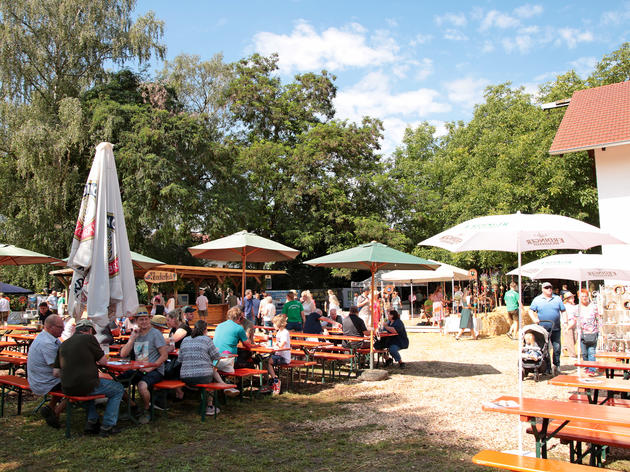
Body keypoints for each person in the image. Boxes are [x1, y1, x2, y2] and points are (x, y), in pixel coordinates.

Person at [54, 319, 124, 436]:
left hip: (67, 387)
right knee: (118, 388)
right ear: (90, 330)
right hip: (86, 386)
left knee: (87, 387)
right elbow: (103, 362)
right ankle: (108, 425)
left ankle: (92, 420)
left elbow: (56, 372)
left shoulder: (64, 344)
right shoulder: (89, 338)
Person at [119, 306, 169, 424]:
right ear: (136, 321)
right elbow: (123, 354)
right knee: (116, 384)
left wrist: (153, 367)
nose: (144, 322)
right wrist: (132, 339)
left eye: (146, 319)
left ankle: (146, 410)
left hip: (155, 370)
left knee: (142, 386)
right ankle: (134, 407)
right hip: (138, 369)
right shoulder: (135, 334)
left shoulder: (155, 334)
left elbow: (164, 355)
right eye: (141, 319)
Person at [179, 320, 239, 415]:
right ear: (205, 330)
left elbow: (180, 359)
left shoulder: (185, 340)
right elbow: (216, 357)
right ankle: (210, 405)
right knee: (212, 372)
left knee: (211, 369)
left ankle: (224, 386)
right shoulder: (206, 340)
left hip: (185, 376)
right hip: (202, 376)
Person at [27, 314, 65, 428]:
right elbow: (58, 365)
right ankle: (55, 413)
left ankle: (50, 407)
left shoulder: (47, 337)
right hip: (44, 381)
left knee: (69, 379)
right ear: (50, 327)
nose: (63, 330)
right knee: (79, 384)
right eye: (60, 327)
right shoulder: (47, 343)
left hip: (42, 377)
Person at [528, 282, 566, 376]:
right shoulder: (537, 299)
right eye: (546, 287)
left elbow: (563, 311)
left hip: (556, 328)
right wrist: (534, 318)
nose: (549, 289)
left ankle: (556, 365)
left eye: (550, 287)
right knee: (544, 348)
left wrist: (565, 321)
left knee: (557, 347)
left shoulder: (557, 299)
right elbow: (530, 310)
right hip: (543, 329)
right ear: (542, 289)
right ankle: (546, 368)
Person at [213, 306, 256, 373]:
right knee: (251, 364)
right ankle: (242, 382)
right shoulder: (238, 328)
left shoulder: (219, 326)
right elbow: (248, 345)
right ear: (239, 318)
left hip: (215, 361)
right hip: (228, 361)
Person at [262, 314, 291, 395]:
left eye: (274, 324)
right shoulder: (279, 332)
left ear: (278, 324)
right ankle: (267, 381)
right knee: (262, 360)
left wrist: (274, 346)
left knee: (268, 361)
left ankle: (275, 380)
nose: (273, 325)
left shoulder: (285, 333)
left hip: (284, 357)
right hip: (278, 354)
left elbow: (282, 344)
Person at [577, 289, 600, 376]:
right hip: (582, 333)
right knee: (584, 352)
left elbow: (598, 319)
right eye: (582, 296)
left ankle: (592, 369)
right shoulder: (578, 308)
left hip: (593, 332)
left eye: (585, 296)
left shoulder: (594, 307)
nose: (584, 298)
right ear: (579, 298)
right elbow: (574, 319)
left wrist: (600, 330)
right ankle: (587, 366)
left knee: (591, 351)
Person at [562, 291, 578, 358]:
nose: (573, 299)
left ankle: (564, 347)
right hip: (567, 322)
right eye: (571, 298)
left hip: (574, 322)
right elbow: (563, 315)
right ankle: (572, 354)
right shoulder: (564, 306)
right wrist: (565, 324)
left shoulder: (574, 306)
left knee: (575, 337)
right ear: (567, 299)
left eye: (573, 298)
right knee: (570, 339)